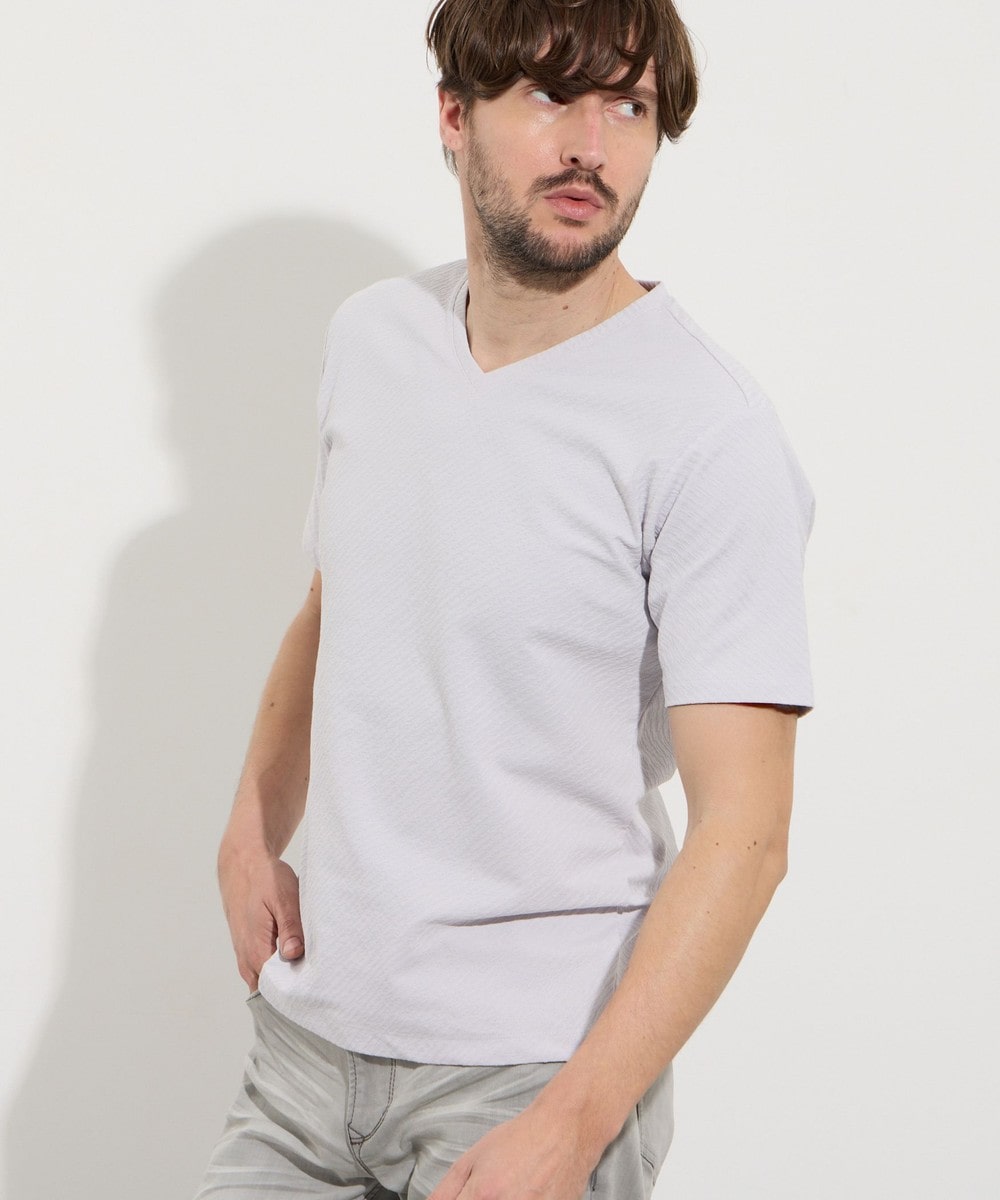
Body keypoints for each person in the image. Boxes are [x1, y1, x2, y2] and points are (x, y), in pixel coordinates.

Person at [193, 1, 815, 1197]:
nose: (590, 146)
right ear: (453, 115)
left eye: (628, 106)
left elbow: (746, 832)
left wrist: (574, 1125)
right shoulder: (374, 337)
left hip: (530, 1072)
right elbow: (337, 599)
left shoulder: (706, 429)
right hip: (306, 1049)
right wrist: (250, 827)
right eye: (547, 95)